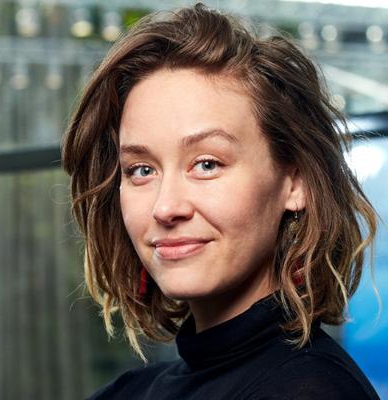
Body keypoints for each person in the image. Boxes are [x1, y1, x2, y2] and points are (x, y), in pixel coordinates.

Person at [62, 3, 381, 399]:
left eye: (207, 164)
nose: (166, 208)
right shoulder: (128, 391)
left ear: (295, 182)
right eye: (141, 170)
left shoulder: (310, 390)